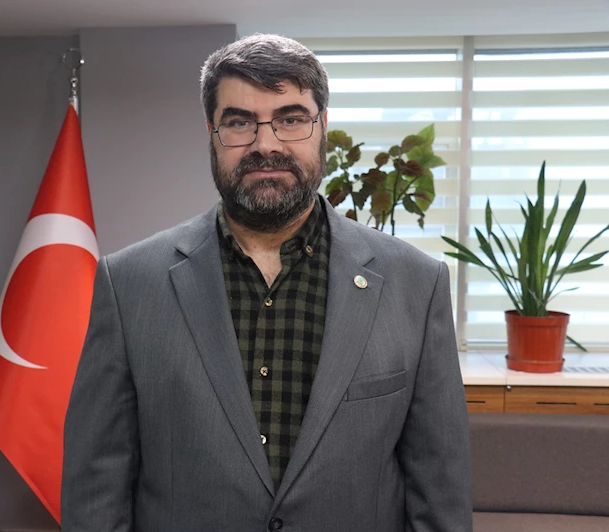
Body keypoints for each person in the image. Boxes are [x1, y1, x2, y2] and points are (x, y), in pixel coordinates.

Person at [62, 34, 472, 532]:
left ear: (322, 126)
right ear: (212, 133)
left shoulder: (416, 285)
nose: (266, 144)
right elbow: (96, 490)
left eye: (291, 119)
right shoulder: (128, 285)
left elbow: (439, 490)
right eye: (239, 122)